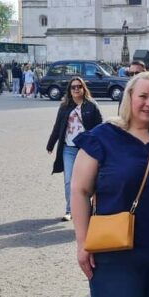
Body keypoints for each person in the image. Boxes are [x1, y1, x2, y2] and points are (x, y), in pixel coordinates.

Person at [69, 72, 149, 297]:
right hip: (116, 253)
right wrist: (82, 243)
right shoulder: (103, 136)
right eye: (143, 96)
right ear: (129, 97)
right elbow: (80, 191)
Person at [47, 77, 103, 221]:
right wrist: (51, 144)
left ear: (84, 89)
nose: (76, 89)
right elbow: (57, 126)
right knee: (69, 180)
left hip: (86, 149)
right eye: (73, 87)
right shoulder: (65, 106)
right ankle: (70, 209)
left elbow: (100, 128)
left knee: (88, 180)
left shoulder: (91, 105)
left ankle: (85, 205)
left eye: (79, 86)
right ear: (69, 90)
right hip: (69, 148)